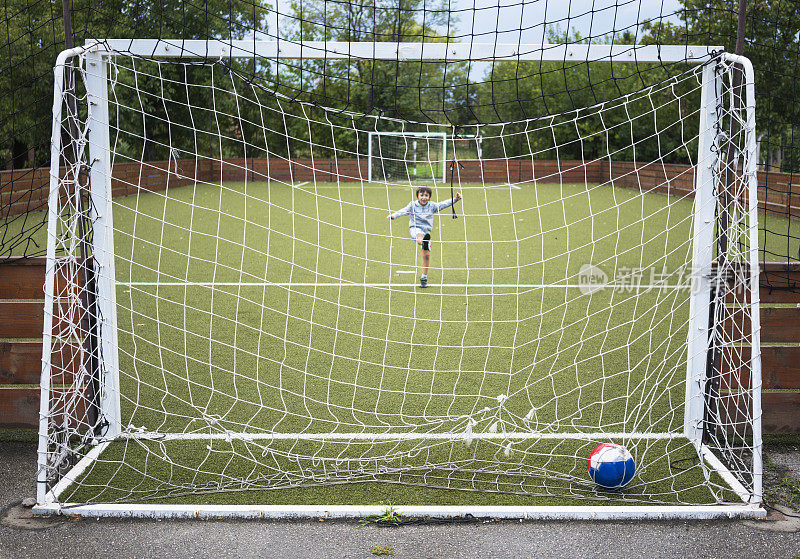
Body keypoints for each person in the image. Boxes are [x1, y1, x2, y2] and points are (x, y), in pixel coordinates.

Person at [387, 186, 462, 288]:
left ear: (429, 197)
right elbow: (403, 210)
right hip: (415, 228)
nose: (424, 198)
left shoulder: (432, 206)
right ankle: (422, 241)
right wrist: (394, 216)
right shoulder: (412, 205)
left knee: (426, 255)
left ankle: (424, 277)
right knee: (419, 236)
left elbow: (443, 204)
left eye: (426, 195)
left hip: (427, 232)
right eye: (421, 195)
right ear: (417, 196)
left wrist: (455, 199)